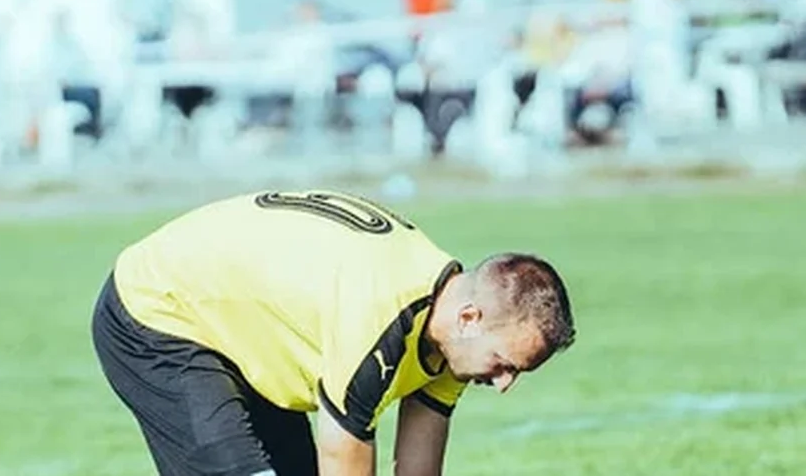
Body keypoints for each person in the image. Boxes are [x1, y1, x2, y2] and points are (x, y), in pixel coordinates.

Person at [92, 190, 577, 475]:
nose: (504, 383)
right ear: (470, 319)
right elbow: (343, 454)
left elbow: (417, 468)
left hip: (238, 331)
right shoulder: (381, 317)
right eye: (505, 364)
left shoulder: (453, 335)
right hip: (159, 312)